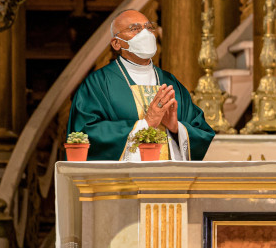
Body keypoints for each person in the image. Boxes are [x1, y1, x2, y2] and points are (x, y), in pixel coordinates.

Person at [67, 9, 215, 161]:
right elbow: (84, 133)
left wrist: (176, 128)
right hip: (122, 182)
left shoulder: (170, 82)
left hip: (170, 180)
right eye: (135, 29)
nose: (146, 34)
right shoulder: (98, 83)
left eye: (149, 28)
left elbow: (202, 133)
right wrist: (145, 124)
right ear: (116, 43)